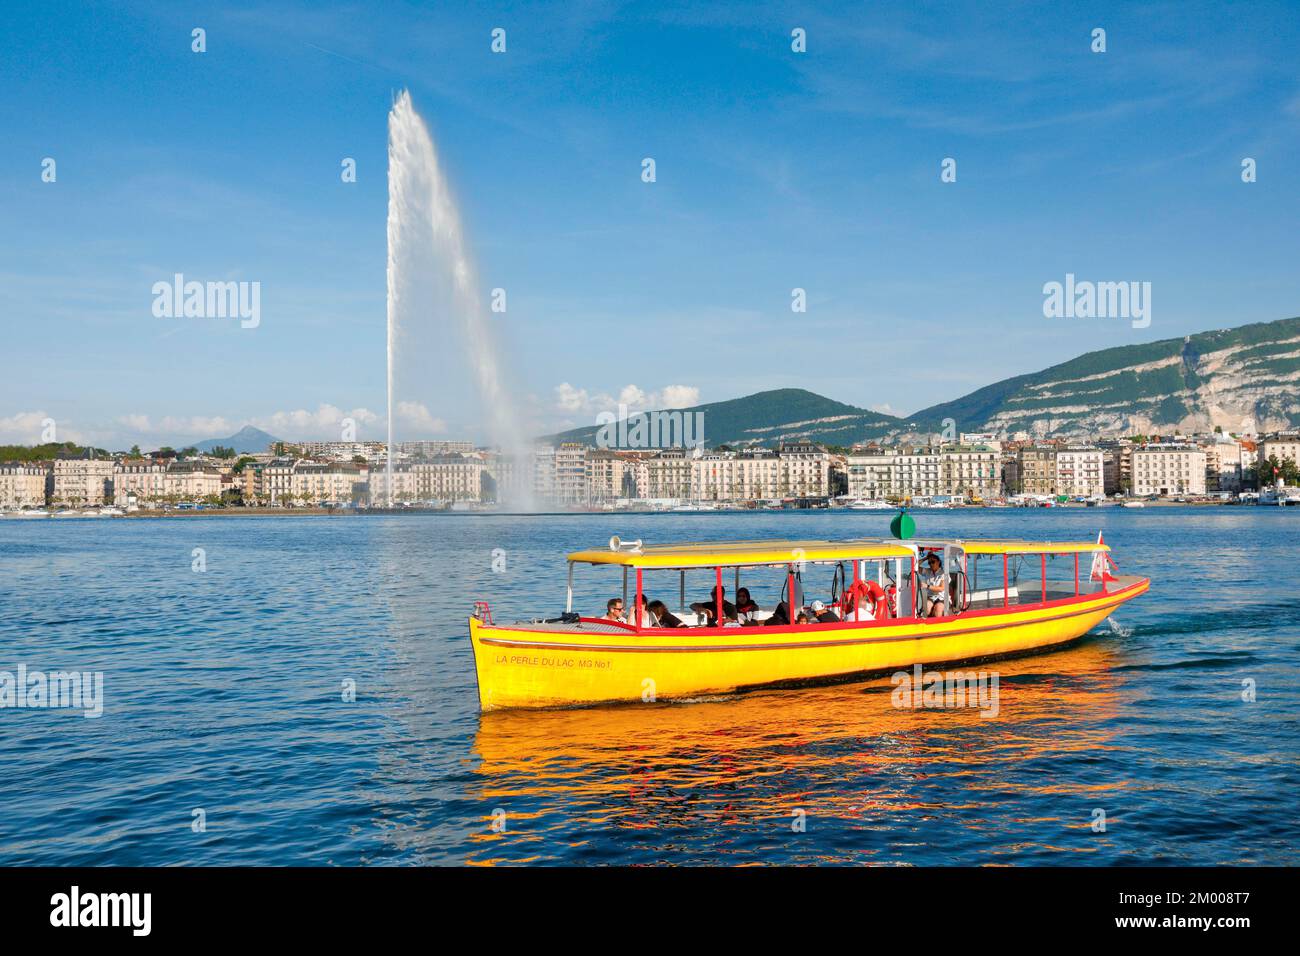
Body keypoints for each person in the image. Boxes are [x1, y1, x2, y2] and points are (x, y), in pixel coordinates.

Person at [919, 552, 947, 618]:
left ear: (938, 562)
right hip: (931, 597)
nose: (931, 564)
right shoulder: (927, 571)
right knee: (926, 608)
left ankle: (938, 626)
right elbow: (915, 566)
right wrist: (925, 558)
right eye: (929, 563)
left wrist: (927, 586)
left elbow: (941, 588)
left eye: (933, 562)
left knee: (938, 609)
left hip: (942, 598)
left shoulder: (944, 573)